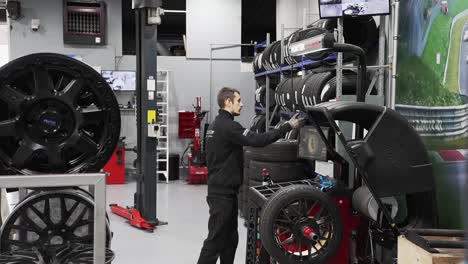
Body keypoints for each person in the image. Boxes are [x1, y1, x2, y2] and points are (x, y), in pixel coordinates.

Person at [197, 87, 305, 264]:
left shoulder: (215, 125)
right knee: (215, 241)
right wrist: (287, 126)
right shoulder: (229, 127)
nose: (242, 104)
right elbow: (258, 140)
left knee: (230, 240)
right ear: (228, 102)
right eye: (238, 101)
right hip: (222, 195)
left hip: (224, 192)